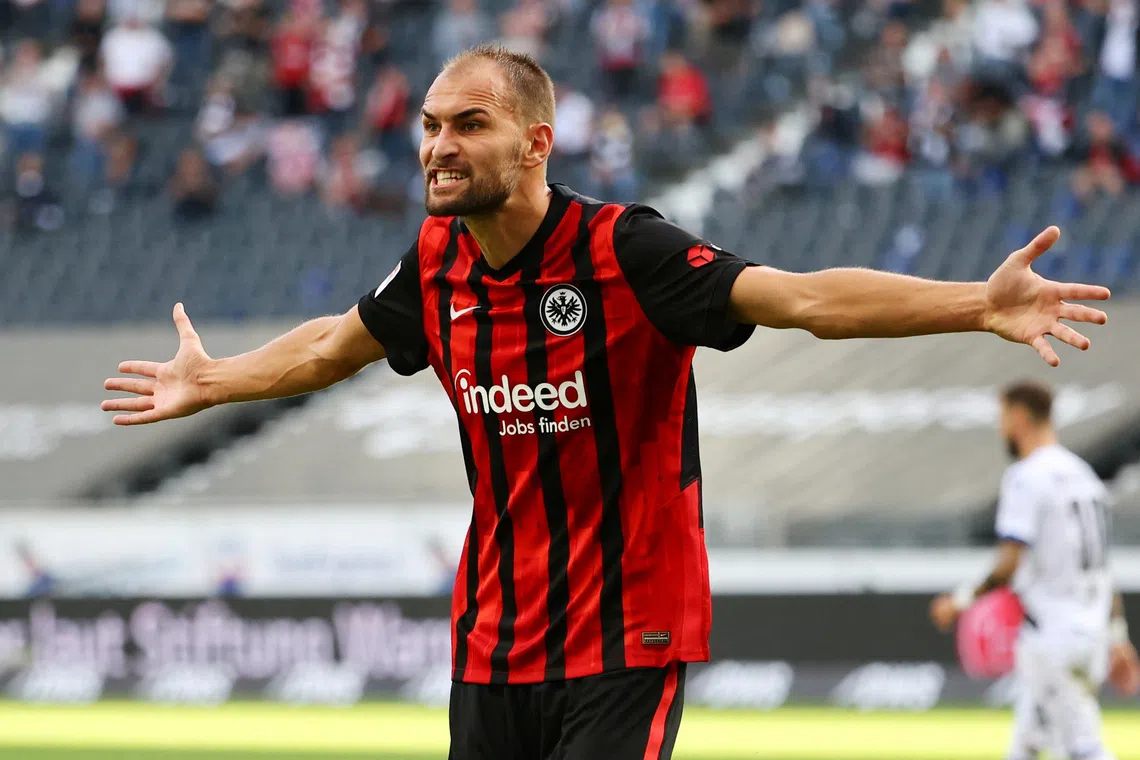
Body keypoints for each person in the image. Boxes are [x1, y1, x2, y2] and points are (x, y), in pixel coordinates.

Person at [103, 44, 1112, 760]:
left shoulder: (627, 253)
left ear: (536, 143)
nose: (437, 146)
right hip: (493, 639)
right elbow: (334, 345)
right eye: (428, 126)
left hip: (628, 635)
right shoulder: (436, 261)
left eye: (469, 124)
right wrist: (216, 377)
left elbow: (805, 298)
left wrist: (977, 301)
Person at [930, 381, 1140, 760]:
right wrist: (1118, 637)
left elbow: (1009, 564)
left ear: (1020, 417)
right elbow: (1100, 569)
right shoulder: (1086, 478)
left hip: (1053, 636)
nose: (1001, 429)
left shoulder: (1027, 477)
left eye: (1003, 418)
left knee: (1083, 747)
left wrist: (959, 602)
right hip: (1087, 634)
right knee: (1027, 743)